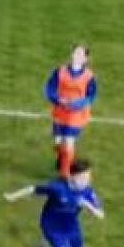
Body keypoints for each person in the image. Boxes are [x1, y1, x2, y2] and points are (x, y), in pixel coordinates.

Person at [4, 159, 104, 247]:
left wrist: (88, 205)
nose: (88, 180)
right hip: (53, 227)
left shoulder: (88, 192)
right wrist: (13, 196)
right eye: (84, 177)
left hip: (72, 227)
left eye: (88, 177)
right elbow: (33, 189)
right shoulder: (57, 187)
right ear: (73, 176)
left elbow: (100, 215)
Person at [45, 44, 96, 179]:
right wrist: (57, 99)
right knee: (57, 142)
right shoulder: (59, 71)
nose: (78, 56)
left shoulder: (89, 76)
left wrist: (77, 104)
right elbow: (49, 88)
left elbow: (91, 96)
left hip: (76, 114)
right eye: (76, 53)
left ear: (85, 59)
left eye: (81, 54)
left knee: (68, 141)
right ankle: (63, 159)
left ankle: (65, 174)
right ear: (72, 54)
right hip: (60, 111)